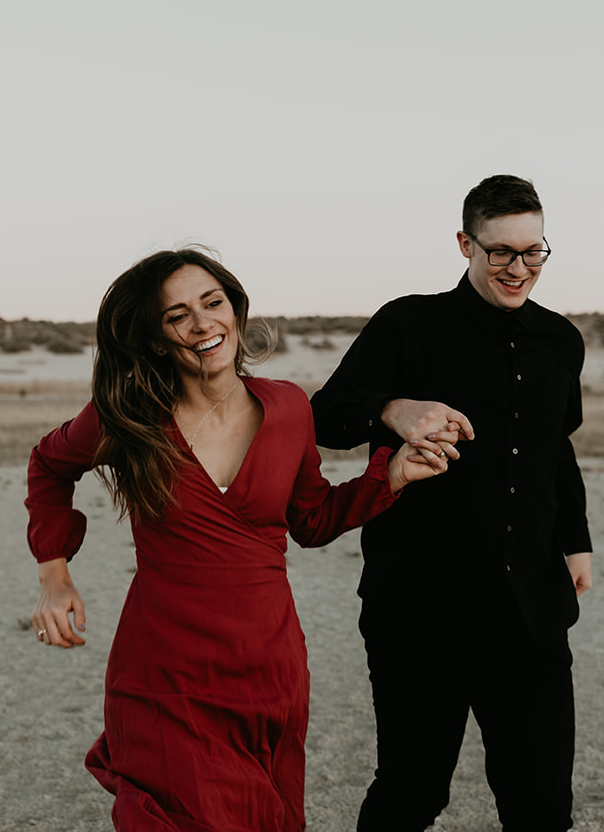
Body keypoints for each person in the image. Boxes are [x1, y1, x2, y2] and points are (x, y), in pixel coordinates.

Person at [26, 248, 447, 832]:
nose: (203, 325)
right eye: (177, 316)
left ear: (235, 309)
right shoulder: (129, 416)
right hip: (163, 671)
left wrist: (393, 474)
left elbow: (313, 521)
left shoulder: (289, 408)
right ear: (154, 339)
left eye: (213, 302)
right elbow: (49, 465)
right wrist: (55, 575)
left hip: (267, 667)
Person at [311, 175, 593, 831]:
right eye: (500, 251)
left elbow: (558, 450)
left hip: (531, 608)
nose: (518, 268)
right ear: (465, 243)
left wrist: (575, 541)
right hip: (418, 609)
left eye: (533, 251)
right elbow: (325, 415)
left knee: (541, 801)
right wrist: (394, 406)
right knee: (411, 792)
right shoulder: (407, 324)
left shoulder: (561, 342)